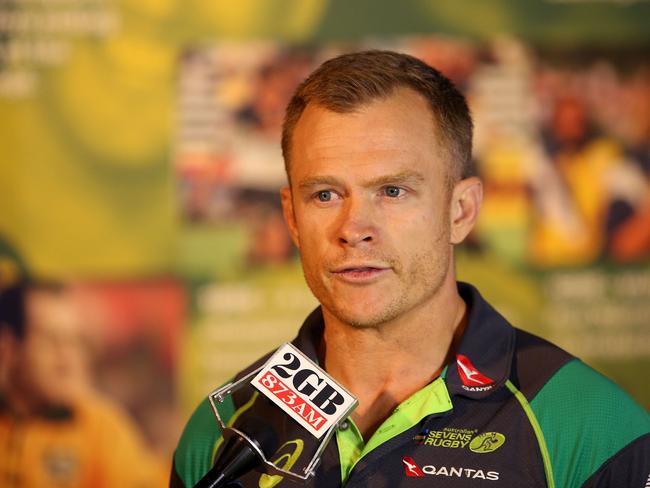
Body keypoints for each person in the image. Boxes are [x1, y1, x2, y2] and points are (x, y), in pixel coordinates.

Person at [171, 50, 650, 487]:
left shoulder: (593, 429)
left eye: (393, 191)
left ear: (460, 210)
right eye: (325, 195)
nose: (354, 228)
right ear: (293, 218)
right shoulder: (223, 428)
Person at [0, 282, 167, 488]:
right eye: (51, 340)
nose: (68, 358)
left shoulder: (101, 427)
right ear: (8, 347)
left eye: (75, 342)